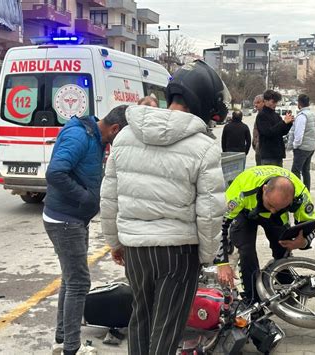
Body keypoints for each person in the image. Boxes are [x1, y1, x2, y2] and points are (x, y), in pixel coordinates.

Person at [100, 60, 228, 355]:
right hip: (178, 252)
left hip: (135, 249)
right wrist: (208, 255)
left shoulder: (126, 136)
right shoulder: (203, 145)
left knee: (140, 318)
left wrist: (114, 242)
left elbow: (109, 198)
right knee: (167, 329)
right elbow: (209, 211)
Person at [43, 106, 128, 355]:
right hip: (65, 219)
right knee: (79, 283)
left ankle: (63, 334)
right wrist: (86, 199)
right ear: (115, 129)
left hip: (74, 218)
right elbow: (55, 172)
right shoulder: (80, 136)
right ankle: (71, 347)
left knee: (71, 279)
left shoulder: (96, 137)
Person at [215, 165, 315, 301]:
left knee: (282, 248)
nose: (273, 211)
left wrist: (303, 242)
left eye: (279, 207)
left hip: (276, 219)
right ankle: (252, 299)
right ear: (264, 190)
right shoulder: (241, 191)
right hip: (245, 213)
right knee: (247, 252)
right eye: (271, 205)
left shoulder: (301, 195)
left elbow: (310, 225)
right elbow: (217, 227)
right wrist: (222, 263)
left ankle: (285, 287)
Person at [255, 90, 294, 167]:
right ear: (265, 101)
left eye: (276, 102)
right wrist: (283, 122)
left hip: (278, 153)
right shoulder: (261, 116)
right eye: (273, 102)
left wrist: (289, 123)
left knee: (278, 178)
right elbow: (268, 132)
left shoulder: (276, 115)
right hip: (268, 154)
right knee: (270, 178)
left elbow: (282, 132)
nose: (275, 104)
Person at [287, 94, 315, 190]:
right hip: (311, 147)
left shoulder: (302, 116)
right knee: (306, 171)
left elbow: (299, 134)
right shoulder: (312, 114)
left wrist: (295, 146)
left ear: (299, 104)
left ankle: (298, 191)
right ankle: (306, 191)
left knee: (295, 171)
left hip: (302, 148)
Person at [252, 94, 264, 166]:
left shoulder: (264, 115)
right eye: (255, 103)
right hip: (258, 148)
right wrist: (254, 142)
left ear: (264, 102)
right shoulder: (259, 115)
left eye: (258, 102)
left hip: (263, 149)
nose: (255, 105)